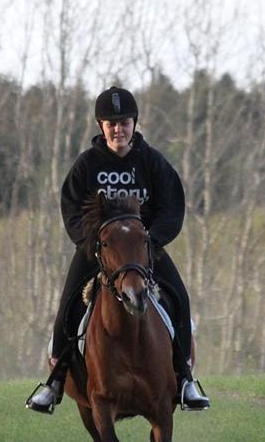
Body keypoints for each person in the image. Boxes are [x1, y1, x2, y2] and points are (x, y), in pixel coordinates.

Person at [26, 86, 210, 413]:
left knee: (180, 298)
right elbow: (71, 211)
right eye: (110, 123)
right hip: (99, 253)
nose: (118, 129)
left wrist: (150, 243)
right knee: (68, 304)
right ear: (101, 126)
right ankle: (55, 381)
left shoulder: (153, 162)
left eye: (124, 122)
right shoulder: (87, 166)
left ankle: (184, 379)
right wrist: (93, 245)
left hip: (144, 253)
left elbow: (172, 207)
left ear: (134, 124)